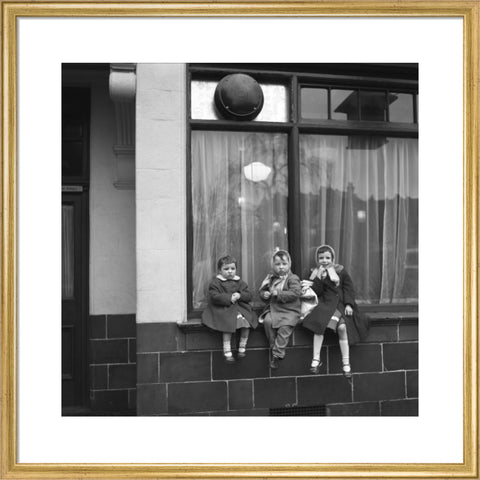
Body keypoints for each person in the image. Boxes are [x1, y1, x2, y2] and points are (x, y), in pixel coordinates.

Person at [301, 244, 369, 378]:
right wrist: (318, 278)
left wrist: (349, 304)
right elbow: (317, 291)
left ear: (333, 258)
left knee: (343, 328)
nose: (324, 260)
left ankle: (346, 363)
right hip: (325, 304)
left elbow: (348, 289)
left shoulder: (341, 271)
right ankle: (316, 359)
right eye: (321, 258)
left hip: (340, 305)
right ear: (317, 259)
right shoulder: (315, 273)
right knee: (319, 327)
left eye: (327, 257)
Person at [202, 255, 258, 362]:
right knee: (227, 325)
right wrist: (229, 298)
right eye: (226, 269)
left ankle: (242, 347)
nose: (230, 271)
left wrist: (240, 295)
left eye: (233, 269)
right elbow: (214, 296)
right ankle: (227, 350)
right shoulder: (216, 283)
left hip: (239, 308)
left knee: (247, 323)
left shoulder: (240, 282)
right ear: (219, 270)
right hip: (224, 309)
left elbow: (249, 295)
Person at [259, 249, 302, 369]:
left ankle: (277, 354)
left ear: (289, 264)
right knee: (267, 321)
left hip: (290, 310)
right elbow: (263, 291)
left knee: (284, 328)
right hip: (274, 309)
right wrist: (264, 294)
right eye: (277, 264)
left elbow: (295, 293)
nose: (281, 267)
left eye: (284, 264)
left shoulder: (293, 278)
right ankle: (273, 346)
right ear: (273, 266)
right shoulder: (271, 278)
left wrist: (278, 293)